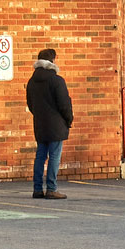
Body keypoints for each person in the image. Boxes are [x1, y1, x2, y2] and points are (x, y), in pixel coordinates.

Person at [26, 48, 73, 200]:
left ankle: (37, 189)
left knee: (40, 156)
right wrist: (68, 119)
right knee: (54, 156)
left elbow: (30, 104)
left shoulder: (32, 81)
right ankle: (51, 188)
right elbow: (64, 104)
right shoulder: (57, 80)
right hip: (56, 125)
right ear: (52, 60)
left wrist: (39, 116)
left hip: (40, 123)